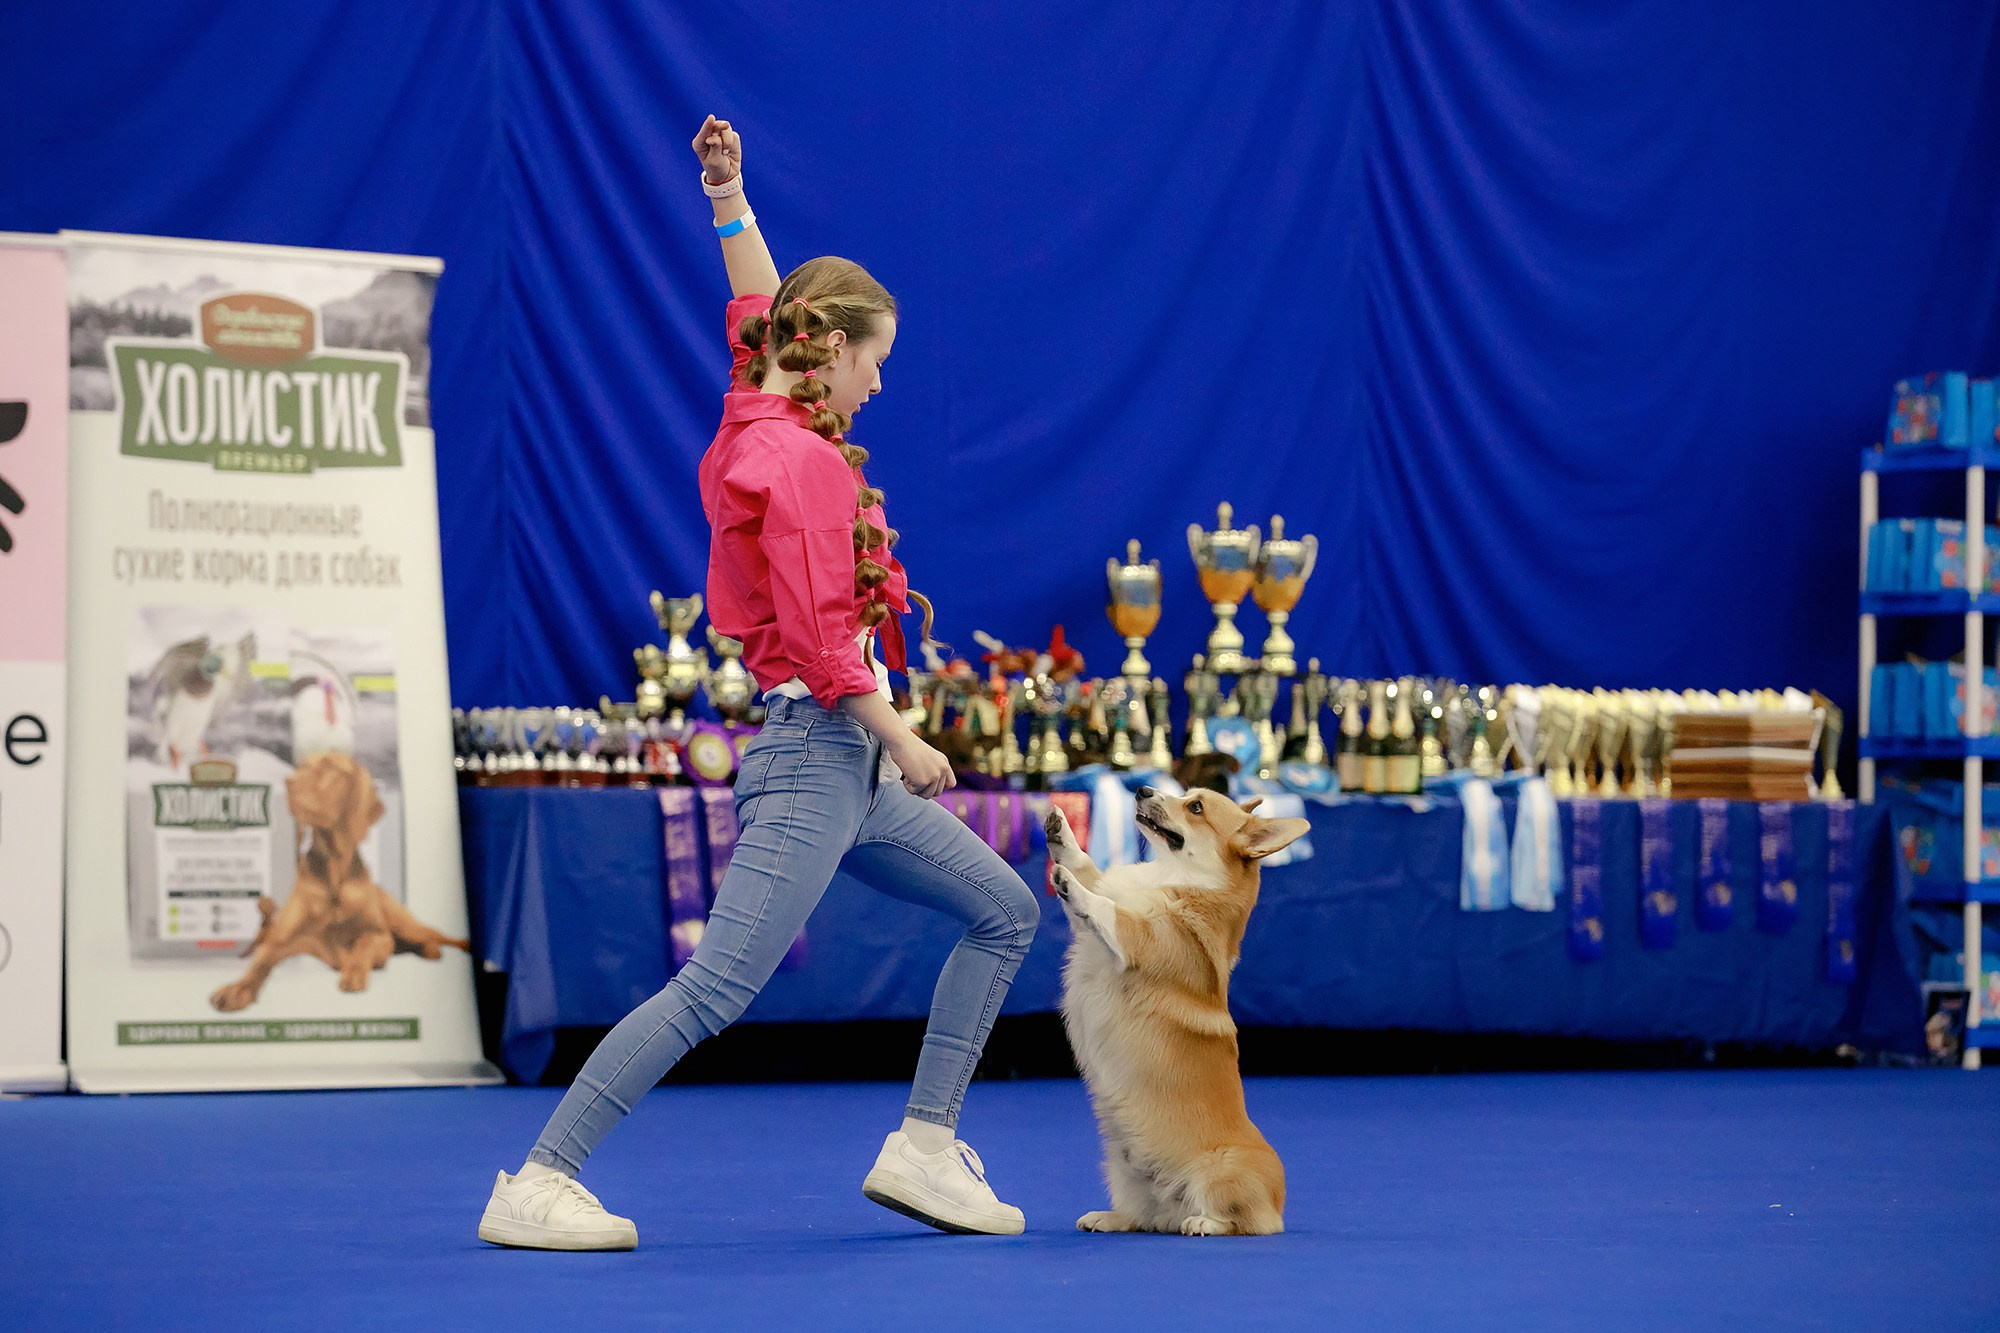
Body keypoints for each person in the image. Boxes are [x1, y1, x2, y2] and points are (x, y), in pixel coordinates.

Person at [478, 115, 1040, 1250]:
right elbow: (829, 641)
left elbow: (760, 306)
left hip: (836, 762)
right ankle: (536, 1178)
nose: (880, 383)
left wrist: (727, 196)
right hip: (821, 753)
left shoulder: (761, 407)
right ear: (830, 349)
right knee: (715, 990)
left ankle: (925, 1147)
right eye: (875, 358)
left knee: (1003, 908)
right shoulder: (804, 461)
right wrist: (907, 737)